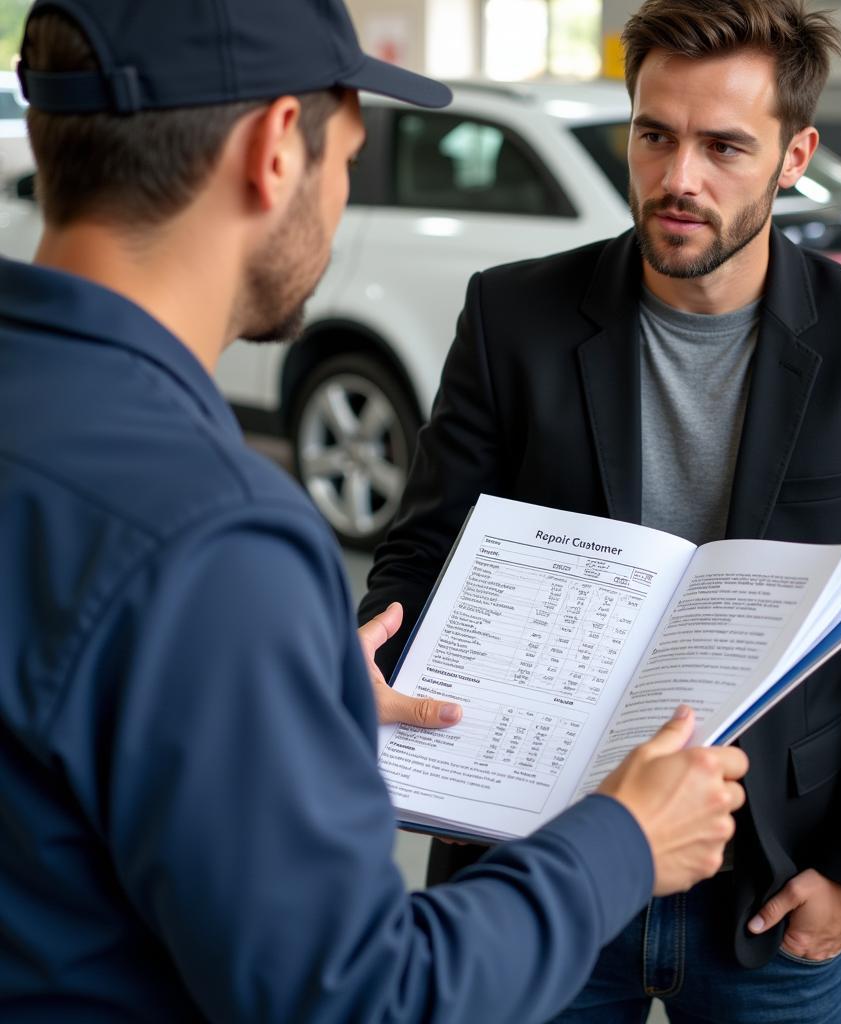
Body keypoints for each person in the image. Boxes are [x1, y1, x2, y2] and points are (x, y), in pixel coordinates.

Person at [0, 2, 752, 1021]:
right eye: (349, 156)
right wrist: (619, 838)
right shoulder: (214, 538)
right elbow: (363, 997)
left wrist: (278, 708)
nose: (345, 193)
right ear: (276, 150)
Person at [359, 1, 841, 1021]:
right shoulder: (512, 316)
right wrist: (377, 652)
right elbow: (425, 549)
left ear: (794, 154)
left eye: (724, 146)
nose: (678, 177)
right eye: (655, 135)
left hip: (771, 881)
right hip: (538, 860)